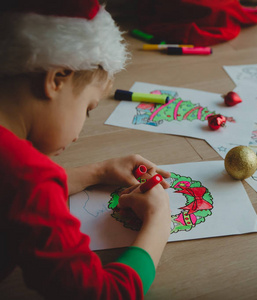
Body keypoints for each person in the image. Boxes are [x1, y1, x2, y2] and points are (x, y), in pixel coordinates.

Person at [0, 0, 171, 298]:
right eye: (88, 109)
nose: (79, 133)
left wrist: (98, 171)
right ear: (56, 79)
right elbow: (105, 293)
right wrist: (159, 222)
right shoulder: (27, 179)